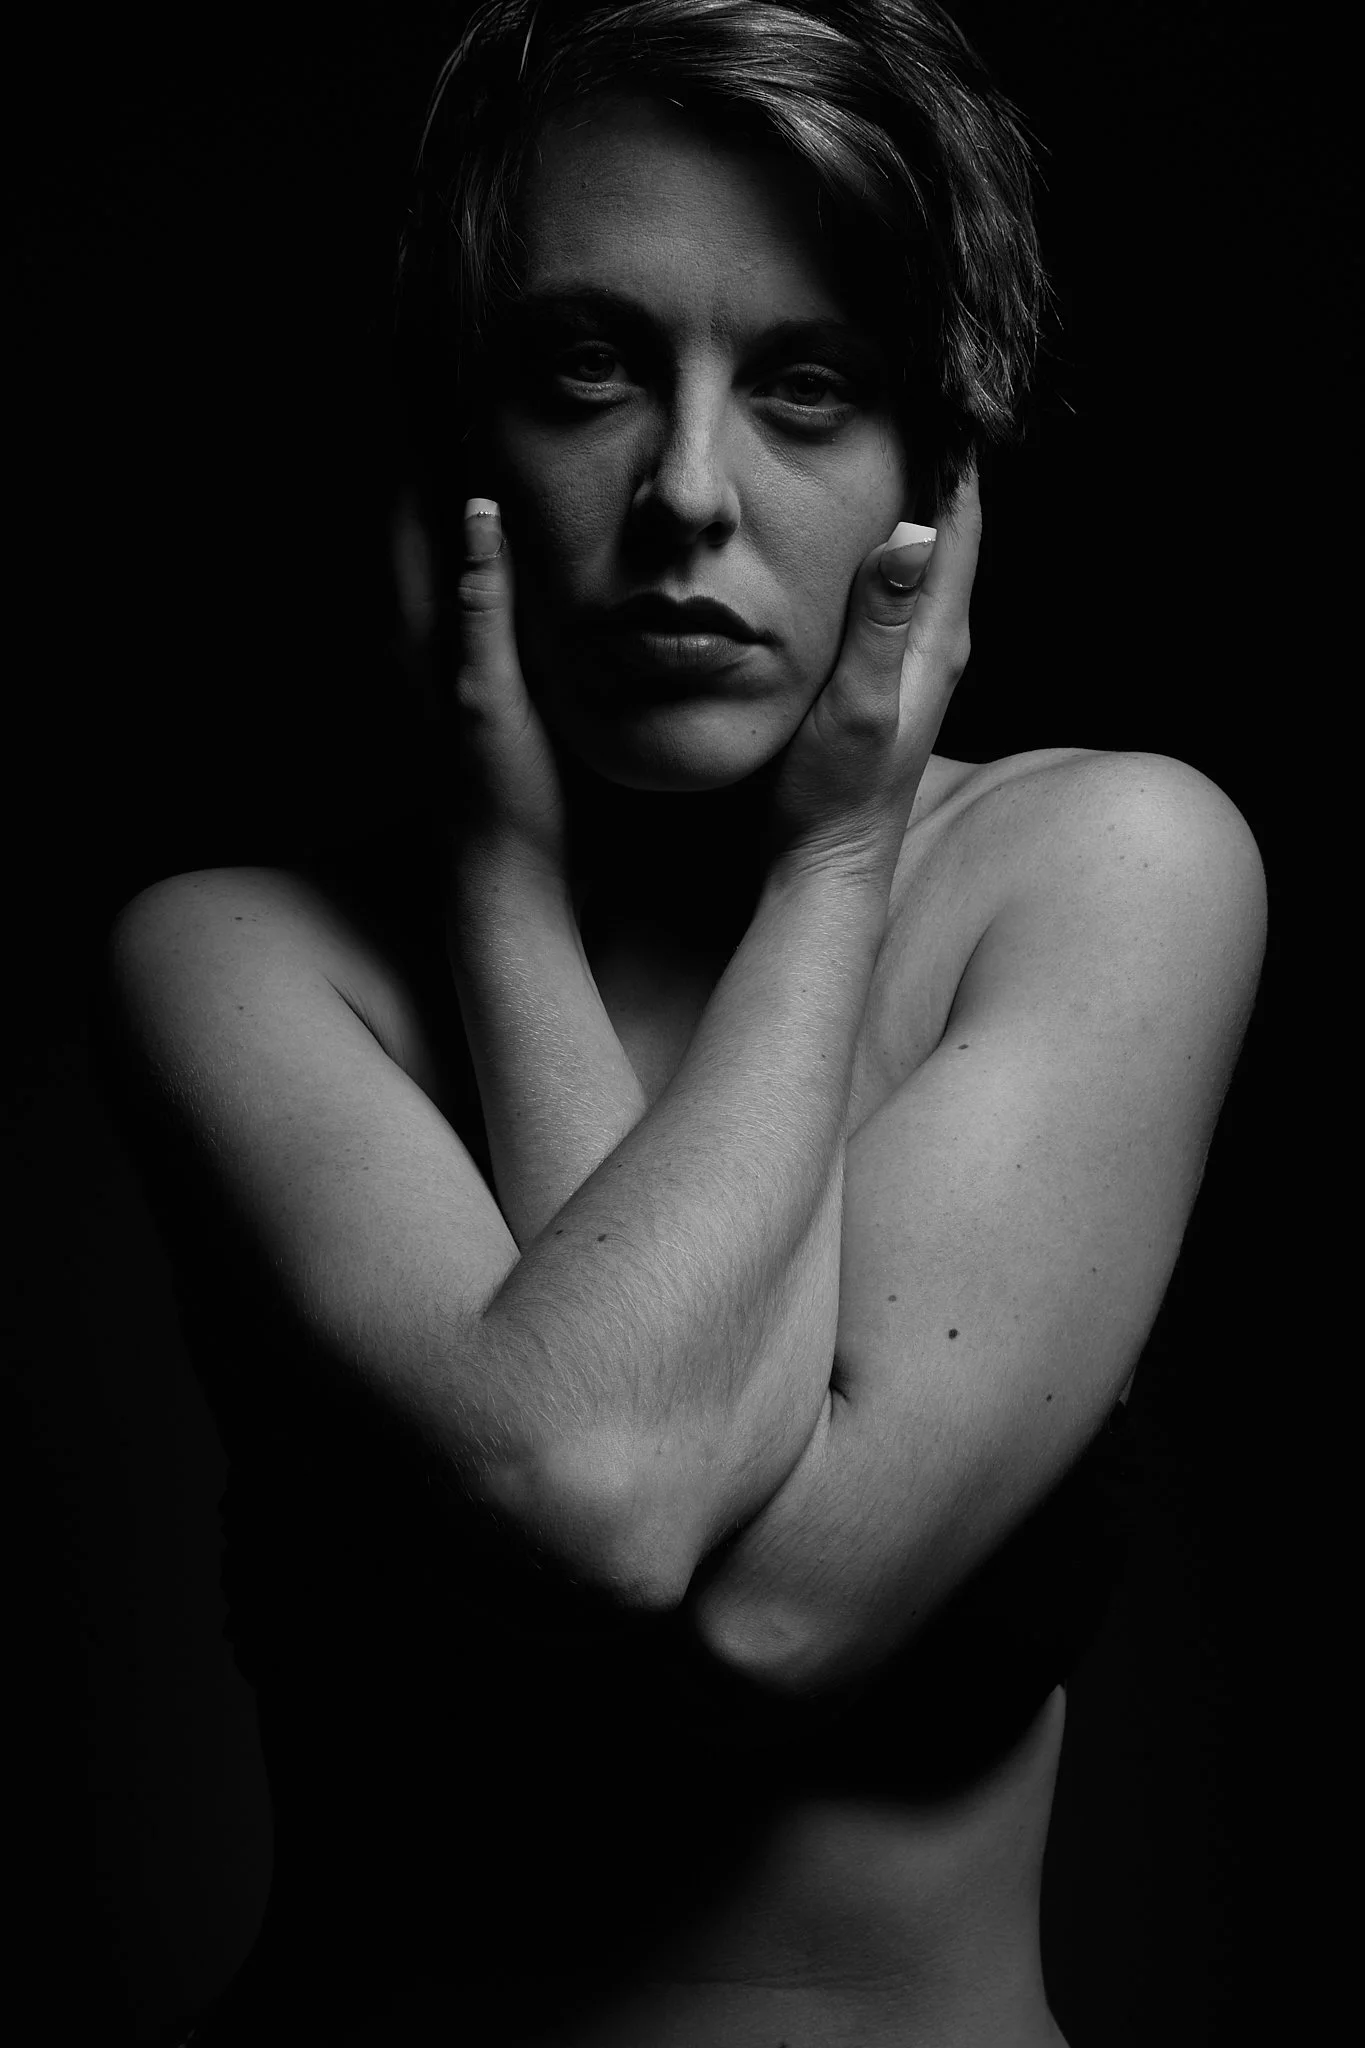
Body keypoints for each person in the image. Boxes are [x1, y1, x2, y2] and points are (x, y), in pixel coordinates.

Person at [96, 2, 1267, 2042]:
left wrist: (836, 858)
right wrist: (512, 885)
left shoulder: (1106, 867)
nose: (687, 494)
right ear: (452, 436)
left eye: (808, 386)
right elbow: (605, 1481)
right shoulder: (239, 958)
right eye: (585, 365)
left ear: (935, 471)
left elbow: (761, 1621)